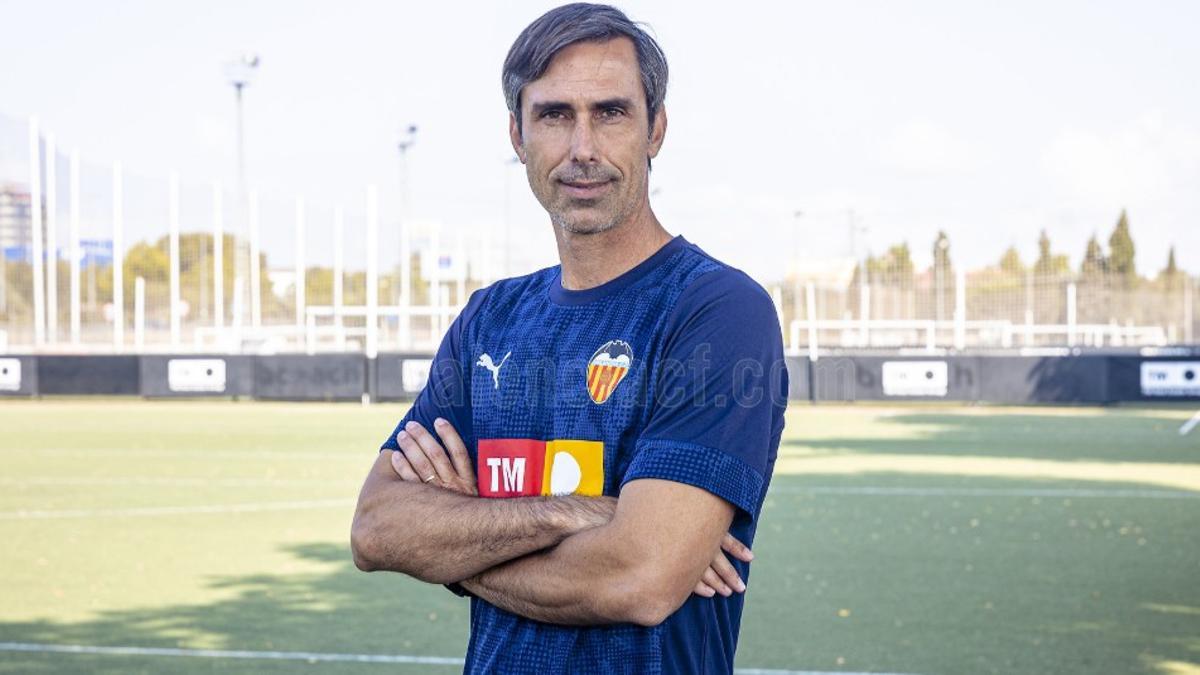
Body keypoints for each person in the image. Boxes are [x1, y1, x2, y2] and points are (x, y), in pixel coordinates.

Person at [350, 4, 788, 673]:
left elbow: (639, 577)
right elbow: (378, 527)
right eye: (554, 115)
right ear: (518, 134)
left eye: (610, 112)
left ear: (656, 129)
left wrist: (461, 540)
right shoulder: (489, 318)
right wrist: (576, 512)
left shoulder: (716, 310)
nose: (583, 148)